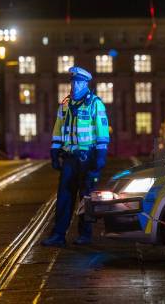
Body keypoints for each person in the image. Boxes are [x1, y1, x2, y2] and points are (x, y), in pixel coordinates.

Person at [41, 66, 110, 247]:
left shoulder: (95, 103)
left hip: (87, 158)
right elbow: (58, 131)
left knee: (86, 198)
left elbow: (102, 133)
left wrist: (100, 157)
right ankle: (58, 235)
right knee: (64, 197)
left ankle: (85, 234)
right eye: (73, 82)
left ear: (86, 83)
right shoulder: (65, 105)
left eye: (79, 82)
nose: (76, 85)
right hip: (70, 159)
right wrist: (55, 152)